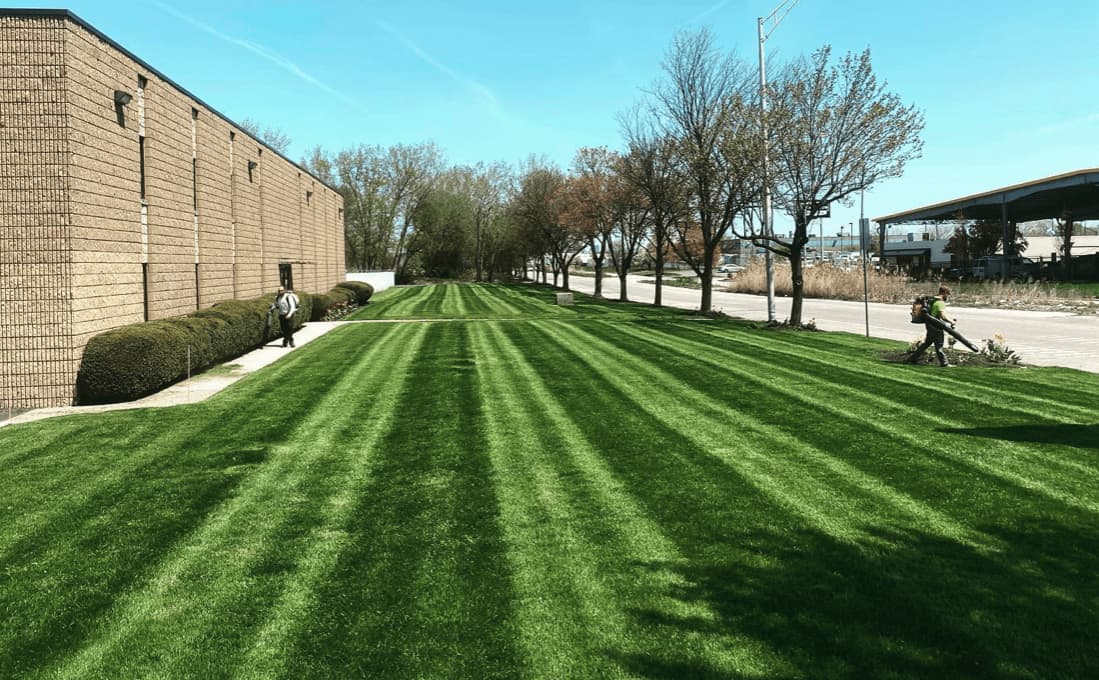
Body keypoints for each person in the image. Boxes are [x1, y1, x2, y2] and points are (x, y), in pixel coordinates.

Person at [908, 285, 955, 366]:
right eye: (947, 294)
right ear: (944, 293)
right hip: (937, 326)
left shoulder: (931, 300)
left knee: (927, 343)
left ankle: (913, 358)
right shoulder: (940, 303)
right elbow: (942, 316)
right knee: (939, 346)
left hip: (929, 325)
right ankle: (944, 363)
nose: (947, 296)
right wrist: (951, 322)